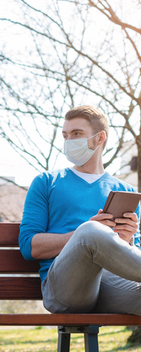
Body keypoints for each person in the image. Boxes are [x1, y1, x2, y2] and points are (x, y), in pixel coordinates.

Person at [19, 105, 141, 315]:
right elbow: (29, 246)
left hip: (112, 286)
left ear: (100, 137)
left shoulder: (126, 191)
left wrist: (127, 240)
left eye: (76, 134)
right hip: (65, 289)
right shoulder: (46, 182)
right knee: (90, 231)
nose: (68, 141)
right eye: (65, 135)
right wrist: (83, 236)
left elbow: (133, 255)